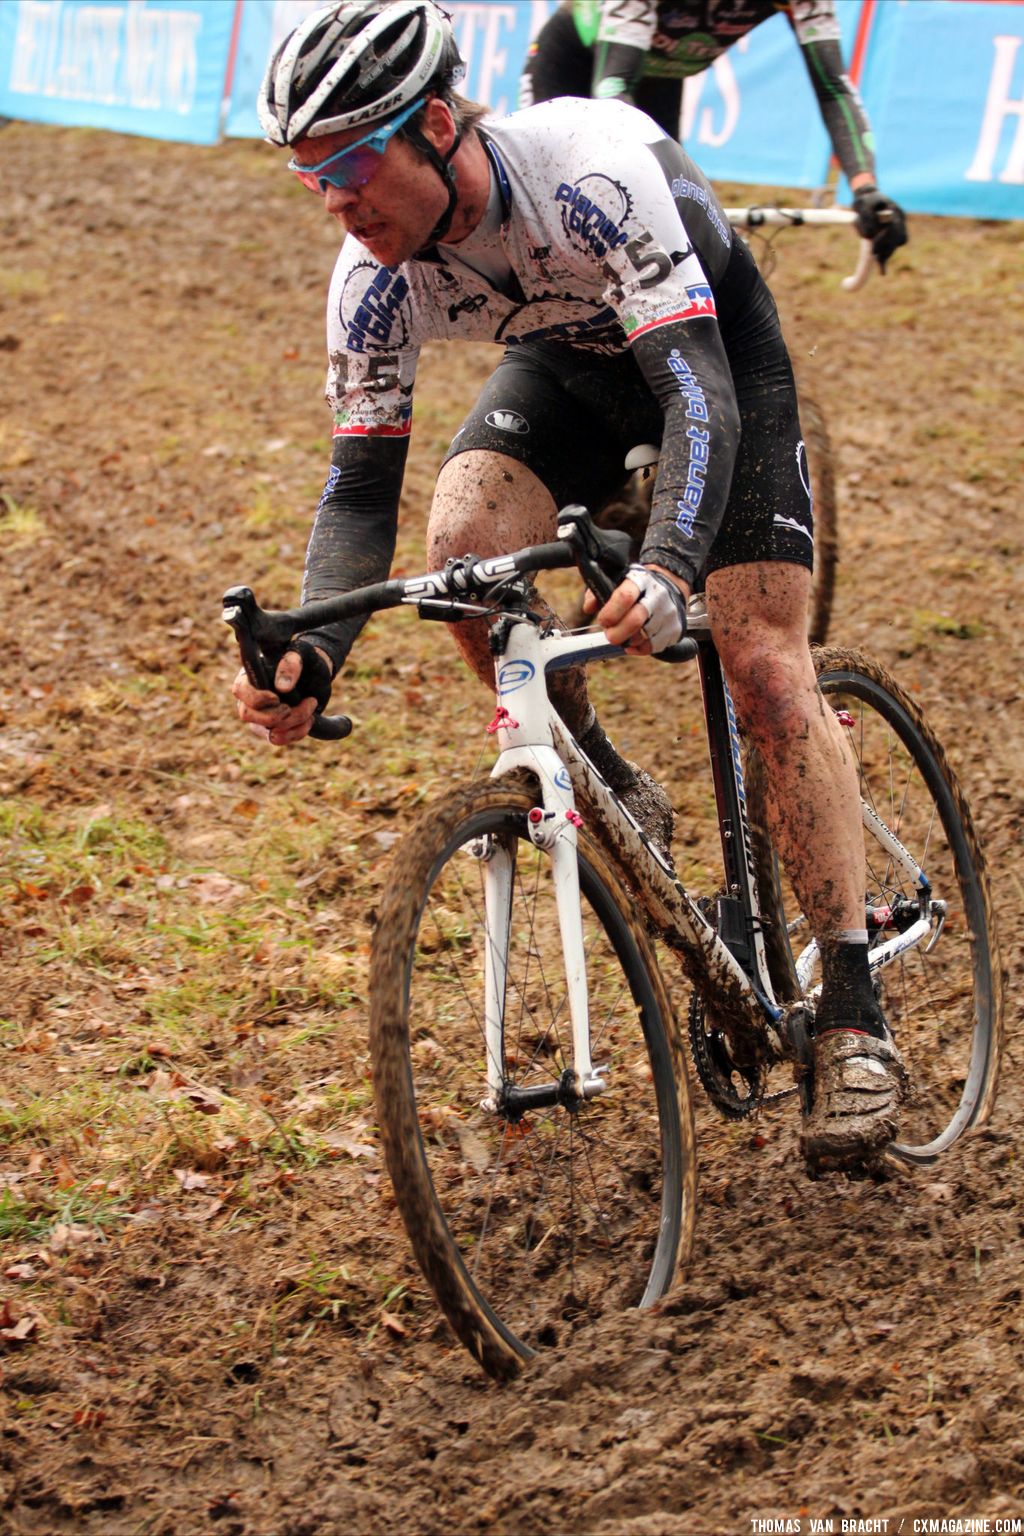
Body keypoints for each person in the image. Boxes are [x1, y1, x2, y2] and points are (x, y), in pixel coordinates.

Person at [231, 0, 905, 1167]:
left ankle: (851, 1014)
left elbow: (697, 393)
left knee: (756, 659)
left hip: (712, 368)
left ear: (436, 125)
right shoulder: (370, 280)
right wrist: (314, 652)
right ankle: (610, 780)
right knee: (458, 556)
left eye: (348, 164)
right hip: (564, 369)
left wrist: (670, 565)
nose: (335, 202)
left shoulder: (586, 176)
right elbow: (355, 500)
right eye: (307, 177)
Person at [520, 0, 908, 272]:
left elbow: (834, 88)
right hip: (574, 68)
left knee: (676, 248)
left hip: (656, 81)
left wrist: (865, 189)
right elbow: (614, 89)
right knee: (569, 232)